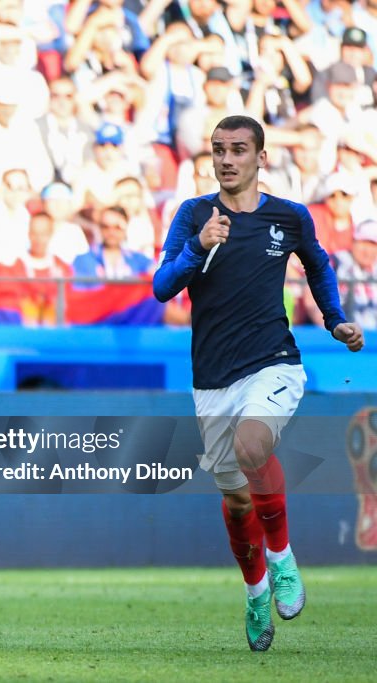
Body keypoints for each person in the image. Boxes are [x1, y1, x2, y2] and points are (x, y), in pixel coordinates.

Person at [153, 115, 365, 652]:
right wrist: (197, 247)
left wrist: (334, 317)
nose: (227, 159)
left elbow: (318, 267)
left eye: (239, 150)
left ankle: (282, 557)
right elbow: (161, 288)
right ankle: (255, 592)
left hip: (273, 360)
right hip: (212, 378)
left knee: (254, 445)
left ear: (261, 158)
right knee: (237, 500)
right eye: (219, 150)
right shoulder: (193, 215)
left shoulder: (289, 217)